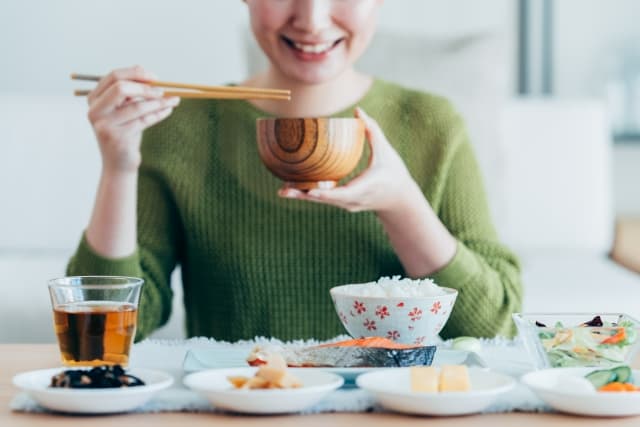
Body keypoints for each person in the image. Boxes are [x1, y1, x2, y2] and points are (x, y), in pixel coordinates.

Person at [67, 0, 522, 342]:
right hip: (237, 407)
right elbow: (102, 334)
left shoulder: (431, 124)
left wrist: (401, 204)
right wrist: (119, 167)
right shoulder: (183, 128)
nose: (312, 19)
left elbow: (493, 328)